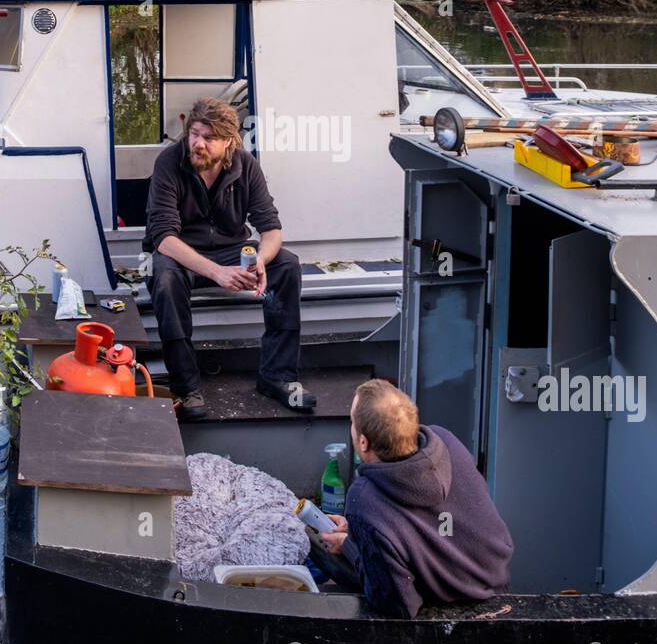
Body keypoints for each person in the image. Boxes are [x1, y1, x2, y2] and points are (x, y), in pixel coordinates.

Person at [143, 97, 315, 419]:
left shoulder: (245, 165)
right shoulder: (169, 162)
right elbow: (163, 238)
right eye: (194, 134)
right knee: (165, 278)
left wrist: (261, 260)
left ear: (229, 141)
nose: (198, 143)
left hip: (230, 249)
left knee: (287, 265)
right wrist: (218, 272)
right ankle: (186, 388)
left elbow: (271, 228)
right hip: (180, 250)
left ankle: (277, 376)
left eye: (209, 138)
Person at [312, 378, 513, 617]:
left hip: (447, 611)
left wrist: (349, 546)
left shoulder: (363, 499)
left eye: (353, 423)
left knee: (315, 550)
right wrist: (359, 533)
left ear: (363, 442)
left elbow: (397, 603)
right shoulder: (445, 440)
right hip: (497, 585)